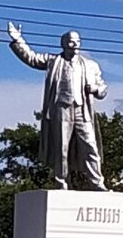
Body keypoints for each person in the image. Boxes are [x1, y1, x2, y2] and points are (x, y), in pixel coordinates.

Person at [7, 21, 108, 191]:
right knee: (62, 149)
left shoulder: (91, 65)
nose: (74, 44)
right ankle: (61, 182)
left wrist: (97, 89)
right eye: (70, 41)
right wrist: (18, 40)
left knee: (91, 147)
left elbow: (102, 88)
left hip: (82, 111)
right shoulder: (53, 61)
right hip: (61, 109)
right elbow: (31, 57)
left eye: (77, 41)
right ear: (63, 44)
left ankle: (97, 183)